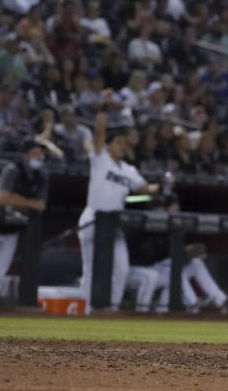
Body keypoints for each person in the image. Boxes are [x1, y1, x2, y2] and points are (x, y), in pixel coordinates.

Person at [77, 92, 159, 312]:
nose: (123, 146)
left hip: (114, 222)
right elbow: (100, 132)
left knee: (121, 269)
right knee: (92, 268)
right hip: (94, 217)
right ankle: (85, 312)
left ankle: (109, 311)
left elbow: (143, 188)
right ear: (110, 145)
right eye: (119, 143)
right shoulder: (100, 158)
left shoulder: (129, 170)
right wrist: (104, 108)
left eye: (124, 143)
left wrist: (159, 187)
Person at [0, 140, 49, 308]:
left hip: (12, 230)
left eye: (40, 154)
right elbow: (3, 198)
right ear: (24, 155)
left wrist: (17, 201)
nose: (39, 157)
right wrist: (29, 202)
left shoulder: (42, 176)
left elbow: (41, 205)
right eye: (35, 153)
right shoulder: (12, 170)